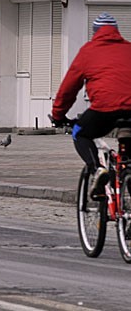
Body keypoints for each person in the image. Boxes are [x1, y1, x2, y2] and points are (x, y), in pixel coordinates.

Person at [51, 13, 131, 198]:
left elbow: (68, 89)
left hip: (105, 110)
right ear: (117, 32)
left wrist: (58, 115)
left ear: (95, 32)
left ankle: (97, 170)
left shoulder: (88, 51)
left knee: (80, 132)